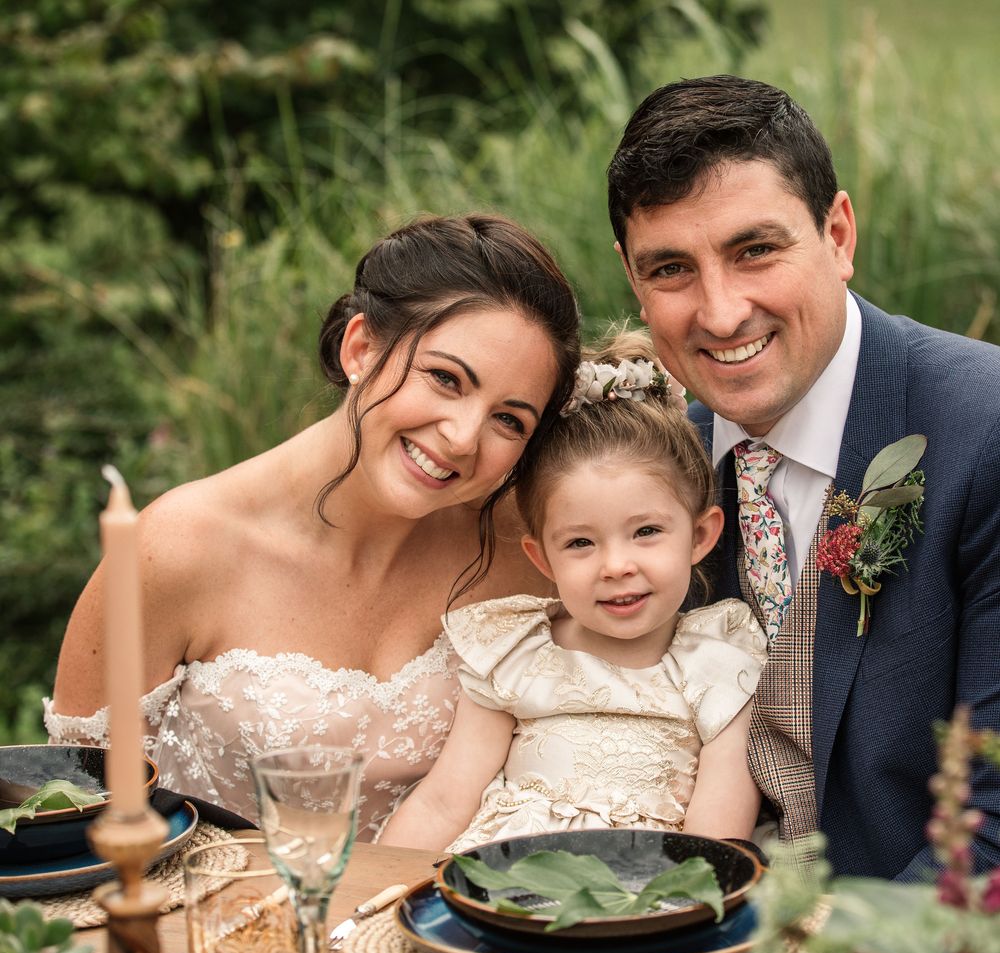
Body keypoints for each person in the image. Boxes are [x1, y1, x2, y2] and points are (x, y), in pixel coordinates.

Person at [46, 214, 581, 839]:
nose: (464, 438)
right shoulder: (177, 547)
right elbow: (73, 816)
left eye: (509, 420)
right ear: (361, 348)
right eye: (445, 378)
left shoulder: (531, 555)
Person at [606, 74, 1000, 880]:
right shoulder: (653, 467)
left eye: (755, 250)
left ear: (839, 234)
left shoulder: (985, 431)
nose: (721, 313)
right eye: (671, 268)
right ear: (632, 281)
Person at [380, 331, 767, 852]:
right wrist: (376, 887)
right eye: (581, 542)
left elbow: (716, 836)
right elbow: (444, 802)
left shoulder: (719, 660)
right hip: (505, 878)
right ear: (543, 558)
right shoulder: (516, 652)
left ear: (700, 536)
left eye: (646, 532)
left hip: (649, 883)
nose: (616, 567)